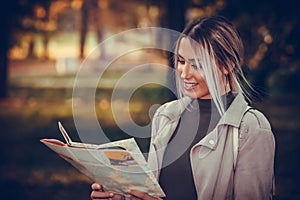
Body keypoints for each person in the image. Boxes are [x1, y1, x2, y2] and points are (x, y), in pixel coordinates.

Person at [90, 15, 275, 200]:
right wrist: (122, 196)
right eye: (181, 61)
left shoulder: (251, 128)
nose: (184, 73)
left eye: (197, 64)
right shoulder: (165, 116)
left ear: (227, 65)